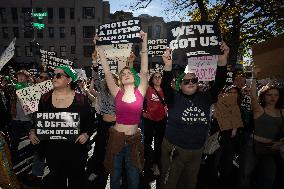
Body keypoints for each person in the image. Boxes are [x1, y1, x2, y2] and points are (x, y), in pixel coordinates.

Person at [160, 42, 229, 189]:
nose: (191, 82)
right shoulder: (174, 98)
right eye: (186, 81)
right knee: (169, 184)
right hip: (175, 150)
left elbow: (220, 83)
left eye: (194, 80)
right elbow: (165, 85)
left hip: (197, 151)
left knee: (190, 184)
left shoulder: (205, 97)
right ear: (180, 85)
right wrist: (167, 65)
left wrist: (222, 60)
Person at [96, 31, 148, 189]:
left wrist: (144, 42)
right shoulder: (116, 93)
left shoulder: (141, 92)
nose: (125, 74)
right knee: (115, 175)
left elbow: (145, 70)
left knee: (133, 177)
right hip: (116, 138)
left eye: (128, 73)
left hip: (133, 140)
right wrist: (99, 47)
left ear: (134, 77)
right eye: (122, 73)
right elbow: (106, 71)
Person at [29, 66, 93, 189]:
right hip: (53, 151)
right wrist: (32, 131)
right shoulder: (45, 98)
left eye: (59, 75)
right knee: (57, 181)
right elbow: (37, 119)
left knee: (77, 181)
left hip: (76, 151)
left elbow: (90, 121)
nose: (54, 78)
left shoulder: (81, 99)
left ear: (69, 80)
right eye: (54, 75)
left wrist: (86, 134)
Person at [239, 68, 284, 189]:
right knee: (245, 175)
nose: (273, 97)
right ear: (263, 96)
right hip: (252, 146)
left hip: (271, 149)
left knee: (268, 178)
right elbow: (253, 96)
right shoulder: (259, 110)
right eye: (269, 95)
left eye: (276, 95)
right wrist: (254, 76)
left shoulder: (282, 112)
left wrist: (281, 142)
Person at [143, 72, 167, 182]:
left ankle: (156, 164)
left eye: (159, 77)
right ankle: (146, 163)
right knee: (147, 142)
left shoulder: (166, 90)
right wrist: (142, 112)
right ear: (152, 79)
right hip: (149, 120)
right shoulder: (148, 89)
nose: (157, 79)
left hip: (161, 120)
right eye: (155, 77)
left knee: (158, 144)